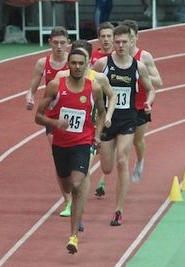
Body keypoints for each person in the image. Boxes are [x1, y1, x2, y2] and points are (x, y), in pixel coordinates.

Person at [35, 48, 106, 254]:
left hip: (83, 143)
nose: (76, 66)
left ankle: (73, 236)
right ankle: (74, 212)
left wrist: (98, 135)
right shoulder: (56, 86)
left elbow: (101, 113)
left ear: (86, 65)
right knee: (66, 184)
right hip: (60, 145)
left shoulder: (94, 89)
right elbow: (38, 117)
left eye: (80, 63)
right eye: (73, 63)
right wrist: (55, 122)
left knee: (76, 185)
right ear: (68, 64)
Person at [92, 25, 155, 226]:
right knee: (108, 168)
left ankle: (118, 210)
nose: (119, 45)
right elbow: (86, 81)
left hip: (128, 119)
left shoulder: (139, 67)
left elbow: (151, 89)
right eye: (116, 42)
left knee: (122, 161)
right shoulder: (103, 64)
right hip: (107, 121)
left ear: (130, 42)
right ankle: (107, 167)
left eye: (123, 42)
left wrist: (147, 102)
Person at [54, 39, 116, 232]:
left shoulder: (99, 80)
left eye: (84, 61)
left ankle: (77, 211)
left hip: (89, 133)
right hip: (68, 135)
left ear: (89, 60)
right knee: (72, 176)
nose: (79, 65)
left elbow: (112, 96)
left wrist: (107, 118)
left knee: (87, 172)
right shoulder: (63, 76)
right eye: (75, 61)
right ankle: (75, 206)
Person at [25, 26, 73, 217]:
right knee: (59, 157)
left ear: (68, 43)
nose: (59, 47)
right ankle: (68, 201)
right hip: (52, 118)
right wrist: (29, 97)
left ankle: (75, 188)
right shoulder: (42, 63)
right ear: (49, 43)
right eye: (56, 43)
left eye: (63, 43)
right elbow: (32, 88)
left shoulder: (74, 62)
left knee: (74, 157)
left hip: (73, 115)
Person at [121, 19, 163, 182]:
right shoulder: (116, 56)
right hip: (122, 105)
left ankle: (139, 160)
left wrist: (139, 72)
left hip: (141, 105)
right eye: (125, 37)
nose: (127, 41)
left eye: (131, 37)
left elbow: (159, 82)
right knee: (122, 144)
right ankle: (121, 168)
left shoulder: (144, 57)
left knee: (137, 140)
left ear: (136, 37)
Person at [90, 21, 114, 198]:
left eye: (109, 36)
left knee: (109, 145)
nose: (105, 40)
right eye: (103, 36)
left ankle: (102, 180)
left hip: (113, 108)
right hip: (96, 106)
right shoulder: (94, 59)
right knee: (94, 144)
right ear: (98, 38)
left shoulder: (120, 57)